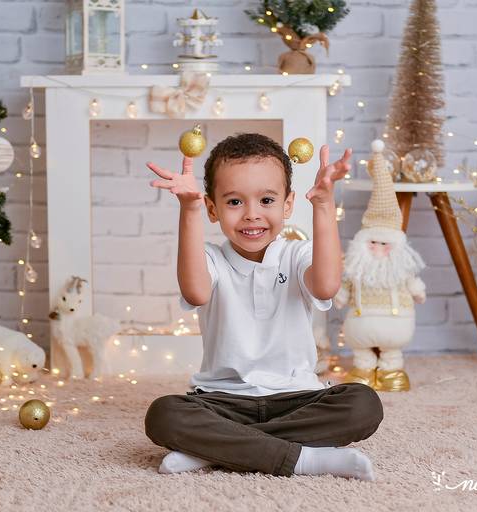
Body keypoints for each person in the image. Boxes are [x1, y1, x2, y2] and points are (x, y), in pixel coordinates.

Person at [143, 133, 383, 481]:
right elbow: (196, 293)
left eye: (267, 200)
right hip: (222, 401)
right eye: (235, 202)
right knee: (163, 414)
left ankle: (217, 451)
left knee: (363, 403)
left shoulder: (296, 254)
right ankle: (305, 459)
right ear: (213, 208)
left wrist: (324, 206)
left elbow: (327, 284)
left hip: (298, 398)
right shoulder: (210, 258)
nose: (252, 215)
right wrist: (189, 210)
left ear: (287, 205)